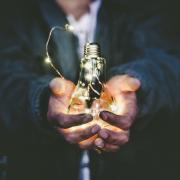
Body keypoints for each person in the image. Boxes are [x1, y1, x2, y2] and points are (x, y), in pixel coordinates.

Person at [0, 0, 180, 180]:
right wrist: (42, 100)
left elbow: (169, 65)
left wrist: (139, 88)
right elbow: (7, 82)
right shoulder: (15, 12)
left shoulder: (144, 9)